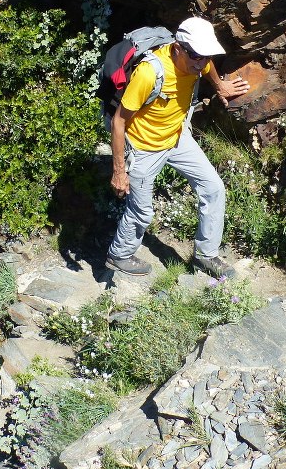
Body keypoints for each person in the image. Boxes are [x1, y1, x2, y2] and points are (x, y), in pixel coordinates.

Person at [105, 16, 251, 278]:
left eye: (207, 56)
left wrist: (220, 87)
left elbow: (207, 68)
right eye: (196, 56)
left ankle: (206, 256)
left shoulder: (198, 61)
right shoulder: (150, 72)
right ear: (178, 48)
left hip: (177, 137)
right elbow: (118, 122)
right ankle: (119, 255)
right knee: (142, 212)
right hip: (143, 147)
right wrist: (118, 171)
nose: (202, 62)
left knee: (213, 188)